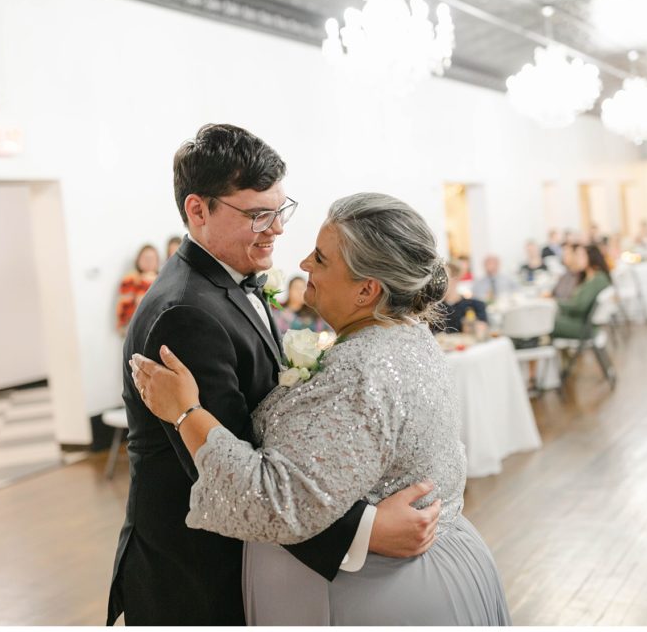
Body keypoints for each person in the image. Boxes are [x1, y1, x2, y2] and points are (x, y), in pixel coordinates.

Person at [107, 125, 440, 626]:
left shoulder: (228, 282)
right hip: (197, 578)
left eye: (280, 209)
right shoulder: (185, 314)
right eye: (258, 214)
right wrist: (364, 531)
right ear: (198, 210)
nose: (278, 229)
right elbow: (228, 468)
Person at [131, 192, 512, 625]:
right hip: (439, 562)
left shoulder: (362, 370)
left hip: (386, 594)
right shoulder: (409, 335)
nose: (304, 264)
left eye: (321, 258)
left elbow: (274, 499)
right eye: (258, 214)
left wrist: (185, 411)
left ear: (367, 290)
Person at [551, 244, 612, 339]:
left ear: (590, 257)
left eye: (580, 256)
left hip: (584, 327)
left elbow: (579, 307)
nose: (576, 259)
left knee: (545, 322)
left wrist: (555, 302)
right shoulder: (589, 278)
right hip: (580, 322)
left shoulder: (597, 279)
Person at [435, 260, 489, 334]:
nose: (440, 285)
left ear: (456, 279)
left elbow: (481, 333)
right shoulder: (435, 310)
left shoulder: (476, 305)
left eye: (443, 280)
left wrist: (472, 325)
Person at [116, 244, 159, 335]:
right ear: (138, 260)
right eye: (145, 258)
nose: (149, 262)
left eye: (152, 258)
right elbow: (124, 307)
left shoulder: (163, 279)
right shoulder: (130, 280)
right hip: (136, 329)